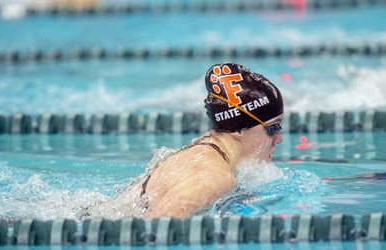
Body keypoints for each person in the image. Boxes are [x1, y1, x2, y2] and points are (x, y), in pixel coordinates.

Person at [92, 63, 285, 219]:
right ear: (236, 129)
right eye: (272, 128)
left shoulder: (208, 151)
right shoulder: (214, 178)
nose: (279, 138)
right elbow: (151, 233)